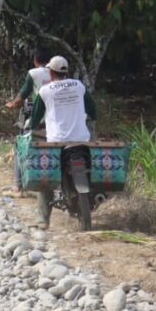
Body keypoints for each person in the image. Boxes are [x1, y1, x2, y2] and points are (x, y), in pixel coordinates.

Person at [26, 55, 97, 229]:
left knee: (46, 175)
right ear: (66, 71)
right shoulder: (78, 86)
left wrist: (32, 126)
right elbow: (92, 109)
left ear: (50, 72)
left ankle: (43, 220)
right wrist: (90, 118)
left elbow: (35, 118)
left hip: (57, 142)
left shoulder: (45, 91)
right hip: (81, 140)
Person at [6, 47, 51, 192]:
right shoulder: (61, 75)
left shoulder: (33, 73)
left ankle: (18, 187)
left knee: (20, 146)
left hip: (42, 118)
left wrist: (11, 104)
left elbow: (22, 97)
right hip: (60, 121)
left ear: (35, 61)